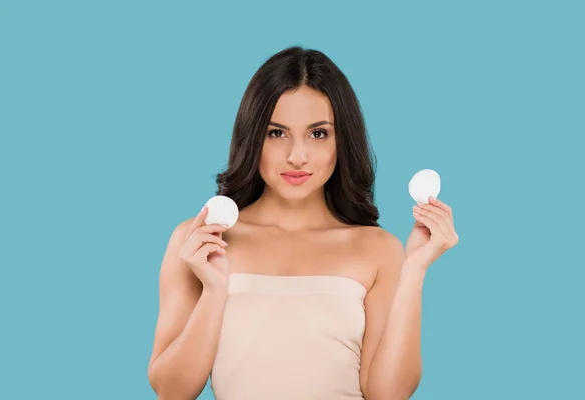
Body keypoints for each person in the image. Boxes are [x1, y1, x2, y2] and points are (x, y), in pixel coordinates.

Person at [147, 46, 459, 400]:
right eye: (276, 133)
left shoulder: (377, 248)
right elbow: (171, 391)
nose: (297, 156)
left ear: (342, 140)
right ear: (252, 138)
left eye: (318, 133)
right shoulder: (200, 242)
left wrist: (415, 269)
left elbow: (388, 394)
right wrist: (214, 292)